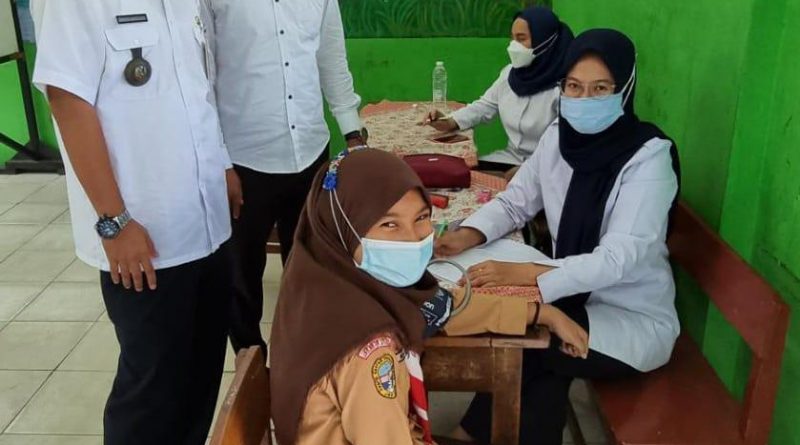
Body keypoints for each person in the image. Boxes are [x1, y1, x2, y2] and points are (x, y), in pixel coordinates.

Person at [435, 29, 681, 445]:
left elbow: (618, 259)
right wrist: (468, 234)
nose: (584, 99)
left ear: (624, 89)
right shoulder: (557, 136)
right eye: (573, 86)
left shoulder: (648, 158)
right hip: (571, 296)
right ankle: (477, 434)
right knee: (533, 342)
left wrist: (528, 273)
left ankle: (469, 435)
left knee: (532, 343)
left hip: (628, 316)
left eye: (600, 88)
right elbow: (516, 201)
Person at [269, 148, 589, 445]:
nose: (413, 239)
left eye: (422, 218)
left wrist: (542, 314)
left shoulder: (325, 285)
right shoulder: (370, 353)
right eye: (389, 224)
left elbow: (442, 306)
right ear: (342, 229)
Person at [30, 1, 236, 443]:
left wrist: (222, 163)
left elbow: (199, 89)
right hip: (143, 240)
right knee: (151, 392)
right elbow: (67, 101)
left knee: (200, 378)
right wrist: (115, 221)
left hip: (206, 221)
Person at [201, 0, 368, 355]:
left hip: (310, 149)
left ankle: (304, 357)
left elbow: (331, 58)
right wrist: (219, 160)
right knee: (241, 276)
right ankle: (250, 363)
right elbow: (204, 75)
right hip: (244, 160)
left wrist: (353, 133)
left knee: (311, 267)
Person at [422, 6, 573, 180]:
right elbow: (484, 106)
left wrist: (527, 173)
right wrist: (450, 121)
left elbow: (565, 148)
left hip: (548, 170)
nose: (513, 46)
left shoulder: (566, 88)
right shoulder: (510, 74)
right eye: (512, 38)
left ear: (545, 40)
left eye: (521, 38)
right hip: (510, 159)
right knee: (452, 174)